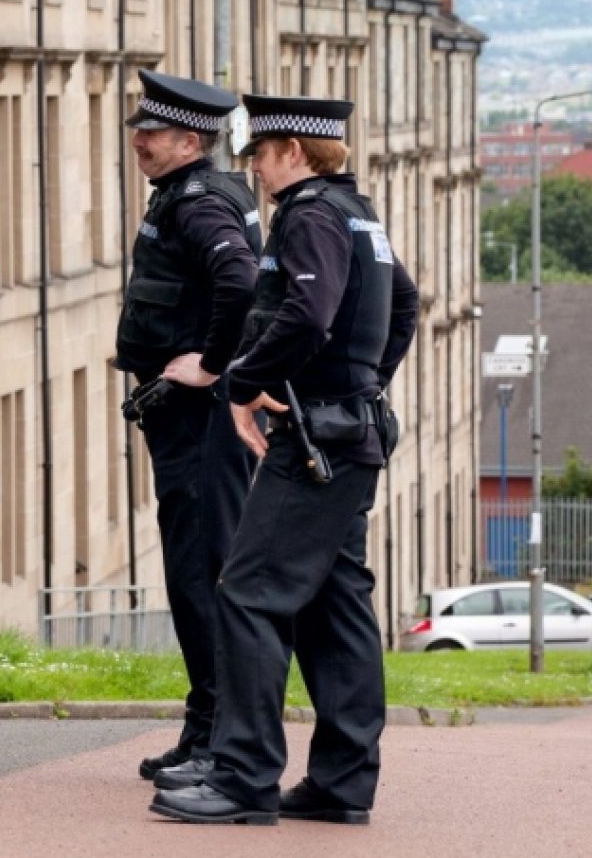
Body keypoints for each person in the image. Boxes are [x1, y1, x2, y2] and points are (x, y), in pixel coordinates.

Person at [150, 95, 419, 825]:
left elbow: (307, 313)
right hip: (349, 431)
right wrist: (365, 384)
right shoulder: (359, 212)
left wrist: (244, 382)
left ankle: (242, 777)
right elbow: (404, 306)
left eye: (262, 156)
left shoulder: (310, 215)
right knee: (335, 606)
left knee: (247, 592)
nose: (257, 172)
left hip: (312, 442)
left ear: (294, 151)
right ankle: (340, 784)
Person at [114, 70, 260, 786]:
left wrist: (210, 361)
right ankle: (204, 727)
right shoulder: (192, 193)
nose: (139, 140)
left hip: (201, 424)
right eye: (139, 128)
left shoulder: (200, 203)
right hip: (187, 427)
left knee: (203, 577)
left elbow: (240, 278)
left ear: (191, 139)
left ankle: (219, 743)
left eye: (154, 131)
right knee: (193, 575)